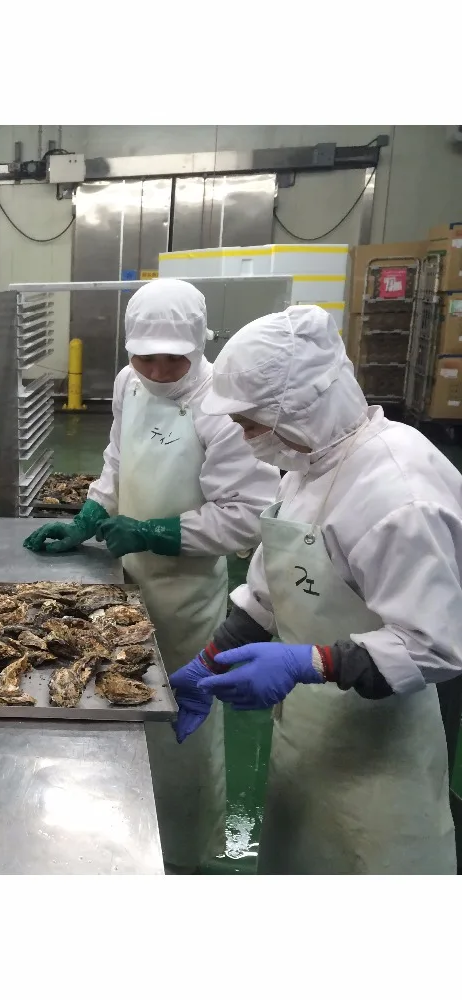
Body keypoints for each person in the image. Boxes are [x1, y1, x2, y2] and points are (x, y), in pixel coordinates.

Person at [171, 304, 458, 874]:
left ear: (301, 407)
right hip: (310, 732)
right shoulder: (310, 464)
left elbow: (434, 645)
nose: (243, 437)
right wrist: (212, 655)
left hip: (380, 756)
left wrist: (313, 662)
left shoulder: (401, 494)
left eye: (251, 423)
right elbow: (271, 586)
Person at [24, 278, 279, 873]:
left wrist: (156, 531)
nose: (159, 371)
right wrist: (93, 513)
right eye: (146, 357)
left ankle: (185, 853)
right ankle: (119, 841)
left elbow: (246, 517)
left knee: (179, 732)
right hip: (124, 582)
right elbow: (118, 458)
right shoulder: (127, 384)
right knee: (116, 714)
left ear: (199, 345)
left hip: (186, 600)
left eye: (173, 358)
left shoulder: (223, 408)